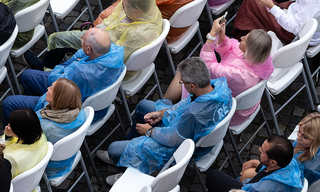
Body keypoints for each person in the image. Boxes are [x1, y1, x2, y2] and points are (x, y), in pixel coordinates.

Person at [97, 57, 233, 179]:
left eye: (182, 82)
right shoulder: (220, 88)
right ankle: (131, 145)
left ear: (192, 85)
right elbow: (185, 105)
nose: (182, 84)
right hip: (192, 132)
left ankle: (131, 165)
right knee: (143, 106)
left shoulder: (193, 114)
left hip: (181, 147)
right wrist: (162, 114)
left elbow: (173, 139)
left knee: (113, 149)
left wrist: (149, 132)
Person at [163, 19, 272, 126]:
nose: (241, 37)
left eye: (245, 40)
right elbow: (233, 50)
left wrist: (211, 36)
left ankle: (162, 107)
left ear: (250, 49)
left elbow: (207, 67)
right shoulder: (260, 59)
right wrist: (222, 37)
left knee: (184, 72)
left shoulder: (239, 74)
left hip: (225, 111)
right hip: (243, 103)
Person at [9, 28, 124, 118]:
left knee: (13, 97)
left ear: (88, 49)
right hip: (99, 104)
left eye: (82, 40)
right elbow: (80, 54)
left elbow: (54, 79)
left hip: (73, 107)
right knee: (28, 76)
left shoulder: (80, 72)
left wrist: (68, 64)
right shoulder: (115, 54)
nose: (81, 41)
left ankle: (37, 113)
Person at [46, 0, 164, 64]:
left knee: (58, 40)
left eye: (125, 6)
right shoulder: (148, 10)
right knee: (60, 40)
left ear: (136, 11)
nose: (122, 6)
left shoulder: (140, 34)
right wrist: (100, 28)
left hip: (106, 53)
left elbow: (117, 58)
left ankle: (46, 70)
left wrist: (95, 41)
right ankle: (47, 67)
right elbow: (113, 17)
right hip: (104, 39)